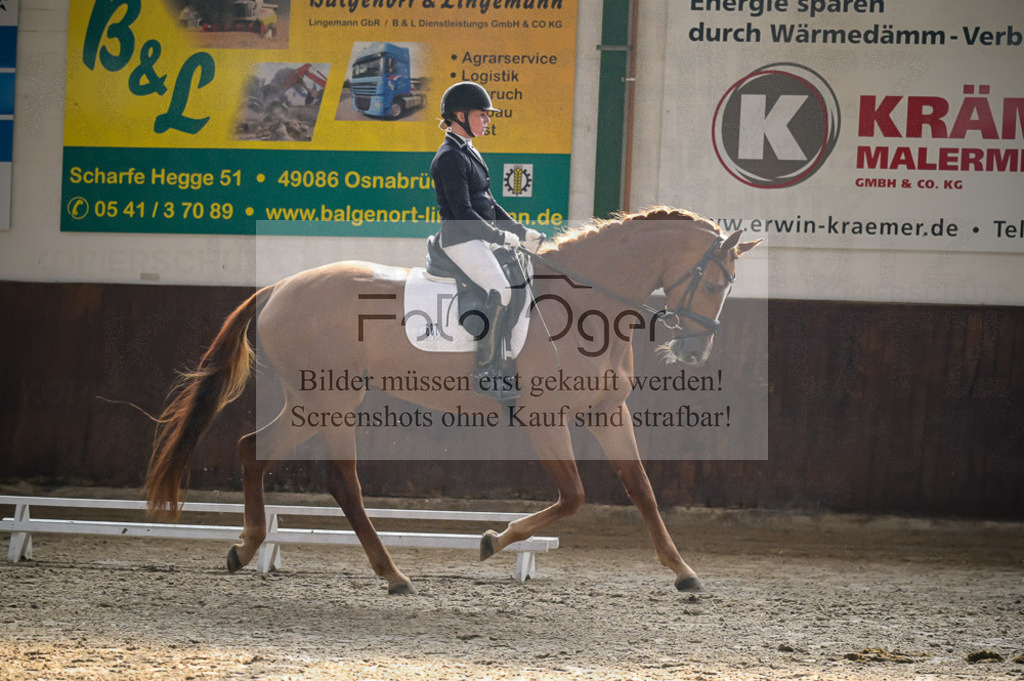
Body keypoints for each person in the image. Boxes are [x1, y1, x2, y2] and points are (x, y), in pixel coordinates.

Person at [430, 81, 543, 401]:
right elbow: (463, 211)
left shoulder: (469, 150)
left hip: (478, 237)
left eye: (487, 116)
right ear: (459, 116)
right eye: (482, 115)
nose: (487, 121)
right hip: (460, 240)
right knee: (501, 290)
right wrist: (498, 236)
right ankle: (486, 370)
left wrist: (521, 232)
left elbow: (488, 204)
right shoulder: (449, 157)